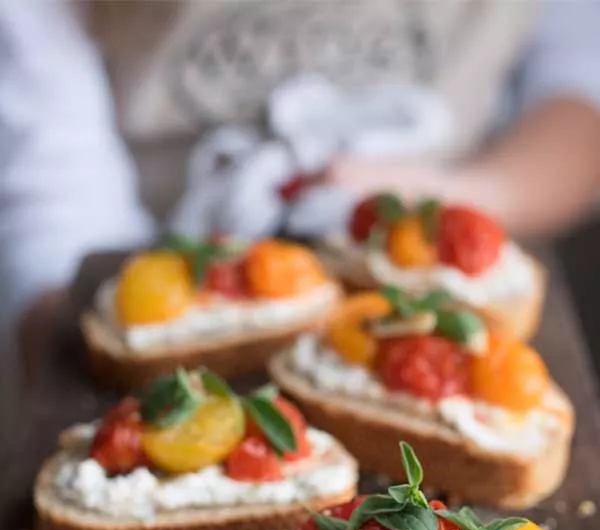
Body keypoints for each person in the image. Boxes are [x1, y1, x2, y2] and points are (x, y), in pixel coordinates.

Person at [2, 0, 600, 382]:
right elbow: (53, 195)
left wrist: (469, 196)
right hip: (155, 246)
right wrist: (102, 367)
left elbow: (580, 90)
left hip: (444, 218)